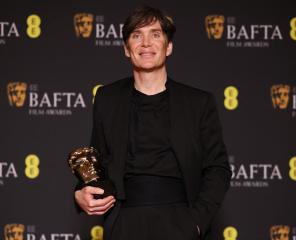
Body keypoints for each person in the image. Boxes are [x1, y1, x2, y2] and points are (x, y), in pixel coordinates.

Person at [74, 6, 231, 240]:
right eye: (137, 35)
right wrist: (80, 193)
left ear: (169, 47)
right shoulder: (107, 98)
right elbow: (97, 159)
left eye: (155, 34)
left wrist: (196, 223)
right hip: (124, 222)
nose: (146, 43)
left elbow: (218, 169)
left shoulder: (198, 102)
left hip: (181, 220)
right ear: (127, 49)